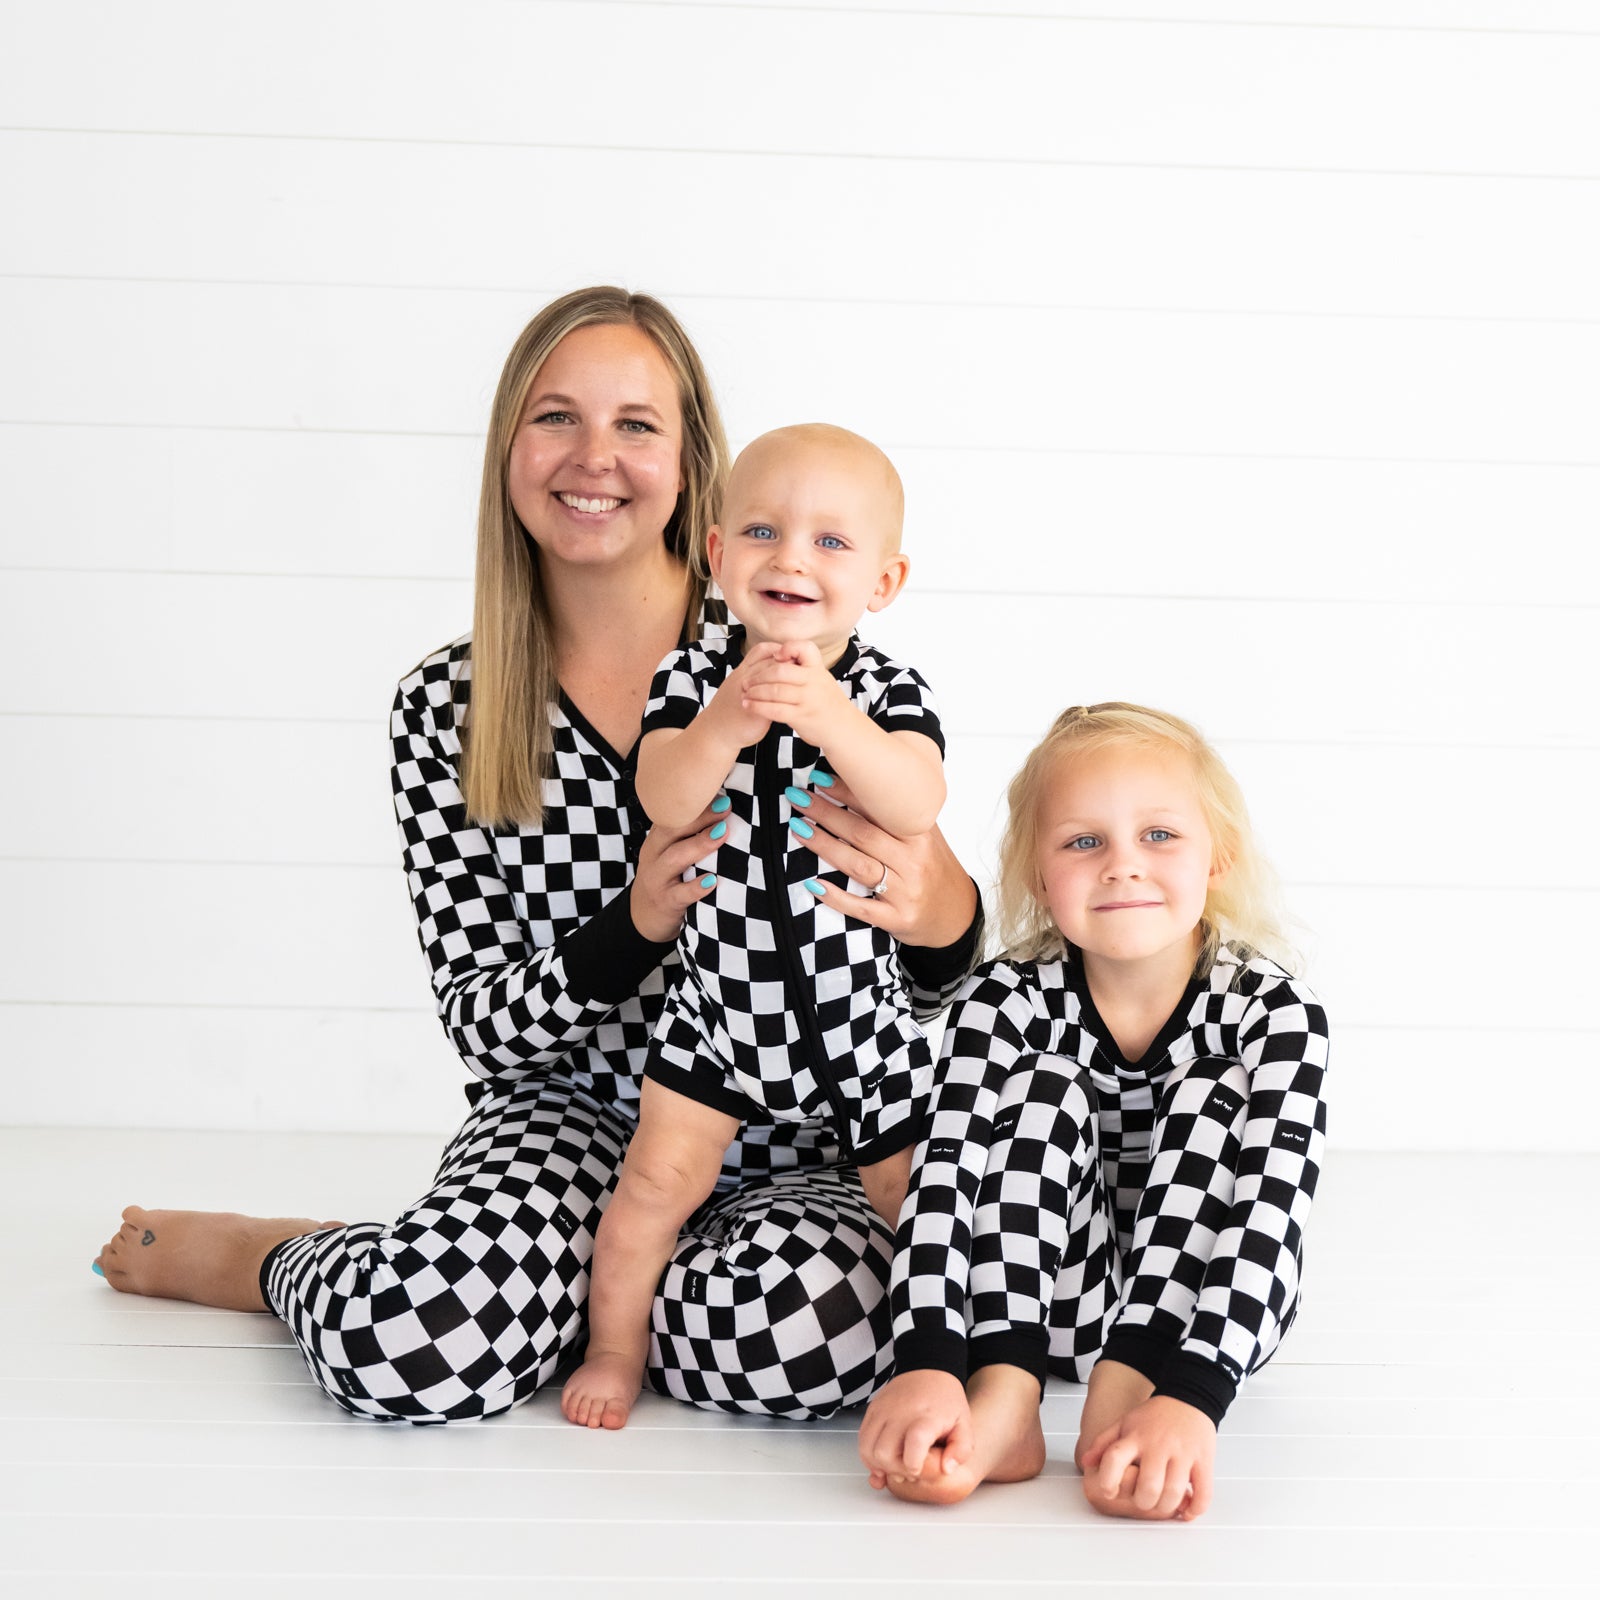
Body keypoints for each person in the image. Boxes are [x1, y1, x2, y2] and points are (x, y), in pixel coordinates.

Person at [92, 286, 981, 1424]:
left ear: (693, 466)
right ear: (510, 449)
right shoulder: (449, 705)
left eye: (637, 425)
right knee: (409, 1346)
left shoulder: (798, 630)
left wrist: (944, 905)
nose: (595, 457)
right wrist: (633, 927)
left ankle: (575, 1302)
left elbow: (946, 969)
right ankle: (291, 1258)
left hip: (808, 1116)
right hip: (580, 1115)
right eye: (556, 417)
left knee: (825, 1326)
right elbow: (481, 1025)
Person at [562, 424, 946, 1429]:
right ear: (721, 554)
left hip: (860, 1022)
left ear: (883, 580)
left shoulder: (883, 689)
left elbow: (915, 799)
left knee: (921, 1200)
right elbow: (662, 795)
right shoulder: (692, 679)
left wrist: (833, 720)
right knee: (652, 1185)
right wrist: (728, 720)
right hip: (721, 1015)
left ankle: (960, 1353)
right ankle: (616, 1344)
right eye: (766, 532)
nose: (792, 558)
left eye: (831, 542)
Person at [857, 702, 1329, 1518]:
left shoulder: (1273, 1013)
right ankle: (1006, 1395)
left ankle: (1134, 1389)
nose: (1122, 867)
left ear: (1219, 856)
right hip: (1042, 1303)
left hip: (1200, 1318)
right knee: (1045, 1085)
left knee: (1211, 1088)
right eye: (1083, 842)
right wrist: (927, 1359)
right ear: (1041, 877)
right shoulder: (1004, 1000)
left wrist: (1195, 1395)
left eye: (1159, 836)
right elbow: (945, 1184)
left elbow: (1271, 1215)